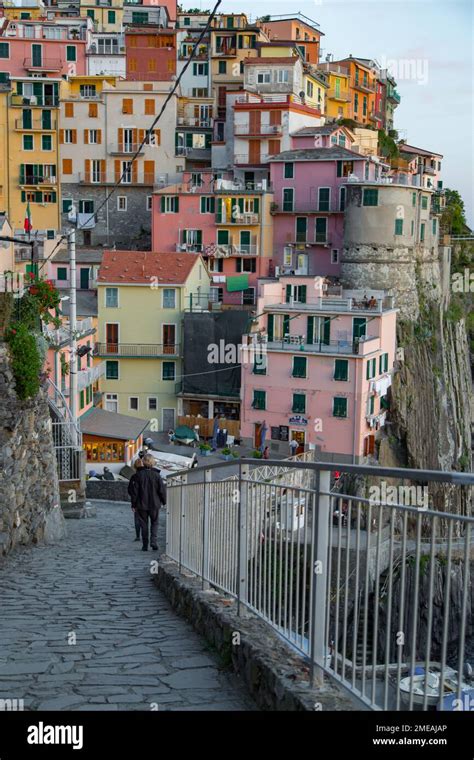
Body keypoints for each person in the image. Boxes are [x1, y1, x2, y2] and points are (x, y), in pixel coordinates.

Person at [128, 454, 166, 552]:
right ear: (152, 462)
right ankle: (153, 541)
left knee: (143, 524)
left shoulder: (138, 475)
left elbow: (134, 492)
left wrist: (133, 504)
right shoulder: (157, 475)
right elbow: (161, 490)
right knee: (155, 523)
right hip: (154, 504)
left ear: (143, 462)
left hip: (141, 504)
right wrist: (164, 501)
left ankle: (145, 545)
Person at [129, 459, 144, 542]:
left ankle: (138, 536)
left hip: (137, 502)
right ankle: (146, 535)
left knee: (137, 519)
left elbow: (131, 490)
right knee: (145, 519)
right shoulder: (147, 475)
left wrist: (133, 504)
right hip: (147, 501)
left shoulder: (134, 477)